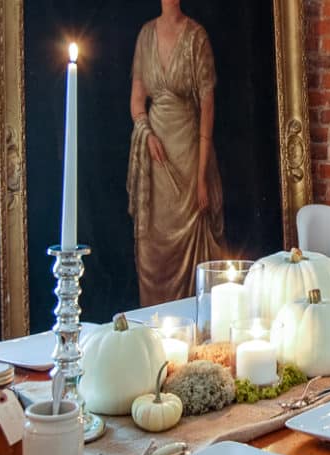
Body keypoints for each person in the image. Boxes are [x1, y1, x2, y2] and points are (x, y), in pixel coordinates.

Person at [127, 0, 225, 306]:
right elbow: (137, 102)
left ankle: (194, 324)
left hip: (189, 152)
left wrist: (201, 179)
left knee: (196, 231)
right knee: (152, 248)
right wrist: (147, 132)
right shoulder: (145, 35)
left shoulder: (197, 37)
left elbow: (207, 110)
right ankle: (152, 325)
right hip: (156, 156)